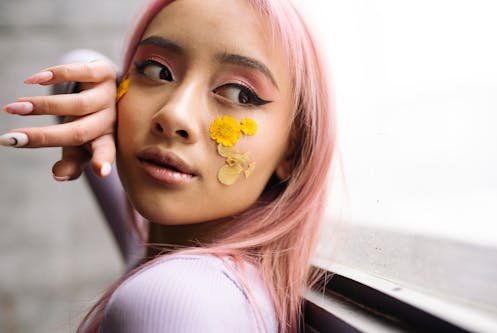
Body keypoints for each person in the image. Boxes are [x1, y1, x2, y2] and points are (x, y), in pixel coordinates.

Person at [1, 0, 335, 332]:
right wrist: (93, 93)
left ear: (292, 151)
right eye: (157, 70)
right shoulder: (173, 255)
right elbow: (74, 68)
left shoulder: (176, 298)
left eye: (239, 94)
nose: (174, 114)